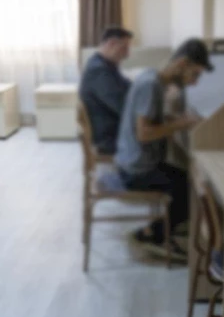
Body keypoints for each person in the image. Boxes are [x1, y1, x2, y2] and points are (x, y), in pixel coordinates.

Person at [115, 38, 213, 260]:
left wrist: (175, 120)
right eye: (194, 74)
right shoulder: (151, 85)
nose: (194, 83)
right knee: (188, 190)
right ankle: (150, 235)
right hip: (136, 169)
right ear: (182, 64)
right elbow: (144, 133)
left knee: (186, 180)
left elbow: (149, 120)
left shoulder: (153, 78)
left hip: (134, 161)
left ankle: (171, 223)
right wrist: (181, 124)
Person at [79, 26, 133, 155]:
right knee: (155, 132)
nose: (127, 54)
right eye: (124, 48)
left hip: (110, 128)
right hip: (108, 138)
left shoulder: (103, 63)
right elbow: (122, 107)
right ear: (111, 44)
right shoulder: (99, 70)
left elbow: (126, 85)